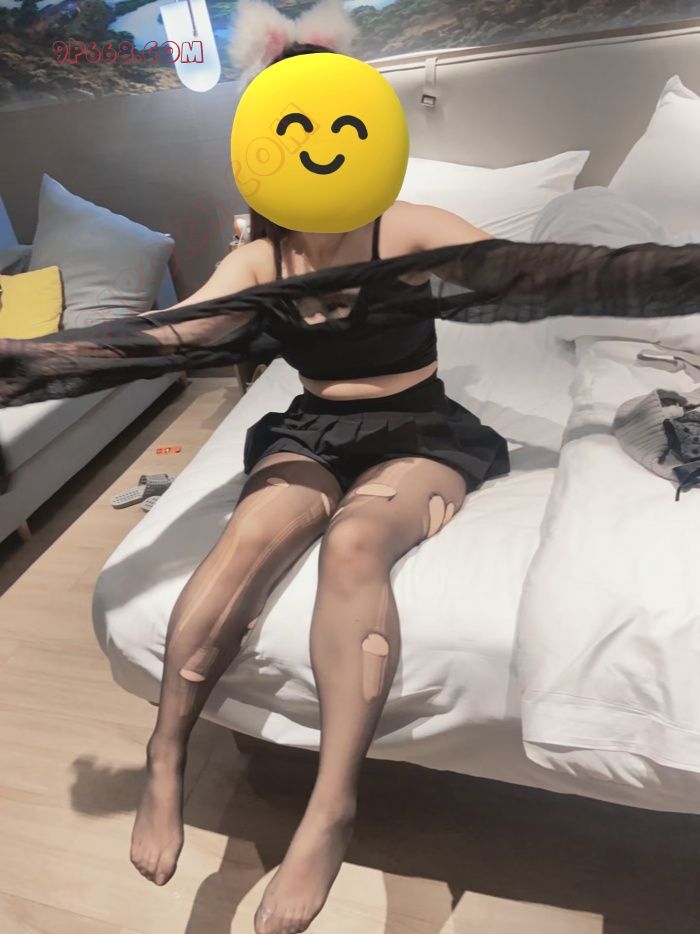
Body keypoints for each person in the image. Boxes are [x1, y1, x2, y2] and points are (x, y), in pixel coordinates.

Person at [129, 41, 508, 934]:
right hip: (312, 427)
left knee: (355, 541)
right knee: (249, 536)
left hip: (417, 427)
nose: (319, 147)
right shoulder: (262, 258)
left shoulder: (403, 226)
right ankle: (164, 757)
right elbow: (182, 331)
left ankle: (331, 808)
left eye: (339, 128)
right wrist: (51, 357)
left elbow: (514, 267)